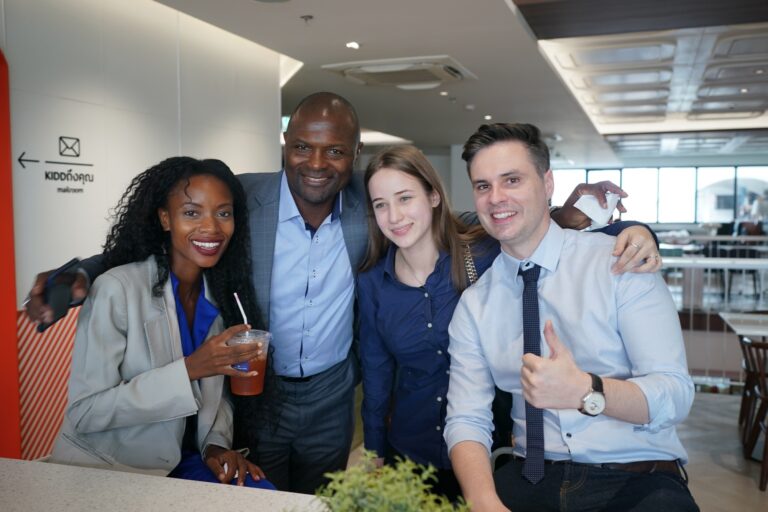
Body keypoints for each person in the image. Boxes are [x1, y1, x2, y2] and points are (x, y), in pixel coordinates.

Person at [27, 92, 645, 494]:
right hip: (257, 391)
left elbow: (458, 224)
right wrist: (76, 276)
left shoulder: (368, 209)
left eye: (334, 151)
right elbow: (173, 230)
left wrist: (595, 221)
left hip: (329, 393)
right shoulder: (249, 198)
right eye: (302, 146)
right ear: (285, 147)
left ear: (351, 157)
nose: (316, 162)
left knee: (319, 499)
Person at [357, 145, 661, 501]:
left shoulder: (484, 251)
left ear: (434, 196)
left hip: (493, 454)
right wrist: (372, 455)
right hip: (412, 455)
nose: (394, 216)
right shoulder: (373, 283)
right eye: (380, 205)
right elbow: (376, 381)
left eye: (405, 198)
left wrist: (638, 231)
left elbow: (547, 231)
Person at [444, 123, 697, 512]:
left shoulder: (620, 263)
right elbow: (466, 418)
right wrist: (483, 501)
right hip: (531, 477)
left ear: (547, 184)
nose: (496, 198)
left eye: (512, 180)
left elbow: (675, 394)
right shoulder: (475, 306)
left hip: (636, 477)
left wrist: (586, 391)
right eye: (483, 186)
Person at [49, 157, 273, 489]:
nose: (211, 227)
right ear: (165, 219)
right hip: (114, 465)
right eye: (192, 213)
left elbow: (219, 395)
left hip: (187, 460)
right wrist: (190, 369)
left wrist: (216, 444)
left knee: (262, 494)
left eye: (223, 213)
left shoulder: (220, 295)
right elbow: (86, 412)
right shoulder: (117, 289)